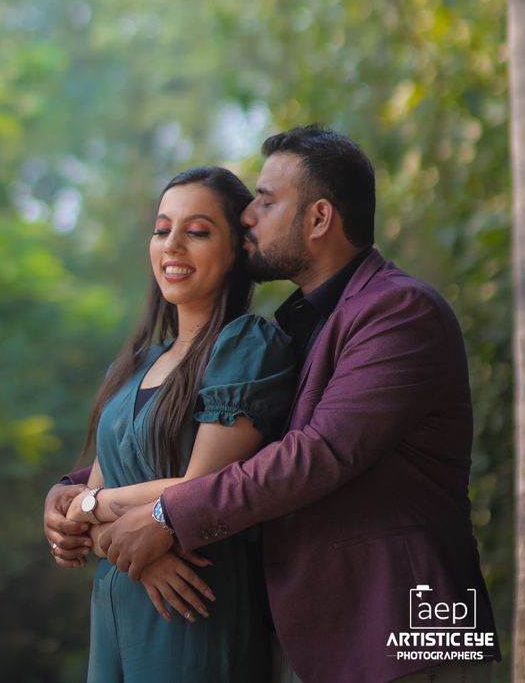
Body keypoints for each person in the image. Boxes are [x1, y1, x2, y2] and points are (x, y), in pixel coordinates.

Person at [83, 125, 500, 683]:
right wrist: (75, 497)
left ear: (319, 218)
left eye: (266, 200)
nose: (249, 216)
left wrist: (165, 516)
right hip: (327, 626)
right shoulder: (296, 326)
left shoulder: (400, 310)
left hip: (404, 623)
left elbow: (318, 453)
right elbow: (216, 439)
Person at [48, 165, 297, 683]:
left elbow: (201, 489)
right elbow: (88, 504)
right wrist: (112, 537)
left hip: (190, 612)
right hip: (117, 607)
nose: (173, 245)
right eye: (163, 230)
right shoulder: (137, 363)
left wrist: (93, 507)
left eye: (198, 231)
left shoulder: (246, 347)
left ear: (237, 251)